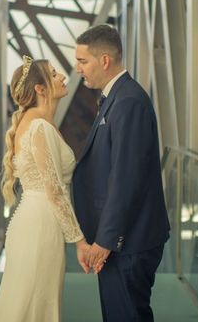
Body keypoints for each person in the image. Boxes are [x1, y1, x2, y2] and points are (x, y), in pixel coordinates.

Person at [73, 24, 170, 321]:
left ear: (104, 60)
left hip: (129, 242)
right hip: (124, 239)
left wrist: (105, 242)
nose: (78, 69)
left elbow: (126, 179)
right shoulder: (116, 97)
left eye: (83, 61)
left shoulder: (128, 102)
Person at [0, 56, 92, 322]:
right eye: (55, 74)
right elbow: (55, 191)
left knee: (29, 306)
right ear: (40, 88)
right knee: (35, 308)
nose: (62, 77)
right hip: (41, 228)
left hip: (34, 223)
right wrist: (80, 242)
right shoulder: (40, 127)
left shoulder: (36, 124)